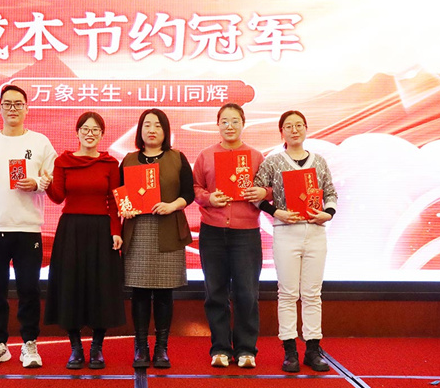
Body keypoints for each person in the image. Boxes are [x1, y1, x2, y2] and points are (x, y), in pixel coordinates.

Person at [0, 83, 57, 368]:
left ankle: (29, 344)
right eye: (7, 104)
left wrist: (36, 183)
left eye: (18, 104)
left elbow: (51, 179)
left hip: (27, 227)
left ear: (27, 108)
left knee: (29, 289)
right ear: (0, 108)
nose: (13, 109)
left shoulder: (40, 142)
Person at [253, 110, 337, 373]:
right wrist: (276, 212)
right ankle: (289, 351)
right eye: (288, 126)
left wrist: (328, 213)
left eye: (299, 125)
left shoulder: (319, 161)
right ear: (282, 132)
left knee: (312, 293)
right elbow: (255, 195)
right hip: (285, 231)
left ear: (306, 129)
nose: (294, 130)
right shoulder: (273, 162)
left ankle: (313, 350)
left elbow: (331, 193)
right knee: (288, 293)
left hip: (315, 231)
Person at [41, 112, 125, 370]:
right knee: (71, 285)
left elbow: (114, 200)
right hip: (71, 229)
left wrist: (116, 231)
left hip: (102, 229)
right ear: (77, 132)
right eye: (85, 129)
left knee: (102, 287)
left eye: (95, 129)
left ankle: (97, 348)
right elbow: (58, 197)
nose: (90, 133)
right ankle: (76, 348)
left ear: (102, 134)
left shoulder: (110, 163)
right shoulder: (63, 161)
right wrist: (46, 184)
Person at [192, 103, 271, 369]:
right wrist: (208, 198)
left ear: (243, 124)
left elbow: (271, 189)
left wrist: (263, 193)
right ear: (217, 125)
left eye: (235, 121)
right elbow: (195, 188)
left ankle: (247, 349)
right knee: (215, 292)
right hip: (212, 231)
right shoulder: (205, 155)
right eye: (224, 121)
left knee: (247, 293)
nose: (229, 126)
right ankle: (220, 348)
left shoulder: (256, 156)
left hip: (246, 233)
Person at [120, 108, 194, 369]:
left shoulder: (177, 157)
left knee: (164, 292)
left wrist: (172, 205)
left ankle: (162, 348)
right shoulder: (128, 160)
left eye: (158, 125)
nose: (152, 130)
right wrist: (125, 207)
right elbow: (120, 194)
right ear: (140, 130)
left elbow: (189, 193)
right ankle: (141, 347)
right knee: (139, 292)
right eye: (147, 125)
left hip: (168, 230)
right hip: (138, 231)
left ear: (166, 131)